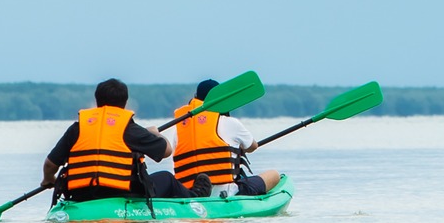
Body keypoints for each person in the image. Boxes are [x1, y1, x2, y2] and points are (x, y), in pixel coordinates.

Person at [42, 79, 172, 203]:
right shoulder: (129, 129)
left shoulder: (78, 128)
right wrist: (155, 133)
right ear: (125, 103)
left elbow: (50, 165)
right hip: (120, 193)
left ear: (97, 100)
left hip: (80, 195)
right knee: (167, 179)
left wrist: (48, 179)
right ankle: (192, 200)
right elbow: (166, 151)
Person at [172, 79, 282, 198]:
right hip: (226, 193)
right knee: (274, 174)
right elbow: (252, 147)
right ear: (223, 100)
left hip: (189, 193)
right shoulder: (230, 123)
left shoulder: (179, 129)